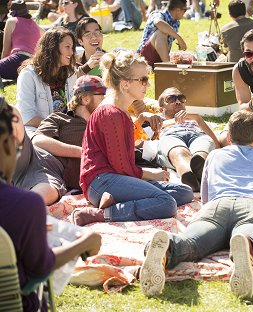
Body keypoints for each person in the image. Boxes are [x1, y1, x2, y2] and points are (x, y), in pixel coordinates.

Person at [140, 110, 253, 299]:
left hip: (217, 206)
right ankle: (246, 245)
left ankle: (169, 246)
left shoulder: (214, 156)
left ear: (228, 137)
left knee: (191, 243)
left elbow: (205, 196)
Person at [0, 96, 102, 311]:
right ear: (7, 146)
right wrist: (85, 242)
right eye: (17, 147)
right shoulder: (25, 206)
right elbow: (40, 268)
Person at [74, 50, 193, 226]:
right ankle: (101, 214)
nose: (147, 85)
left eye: (148, 78)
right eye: (143, 80)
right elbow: (121, 167)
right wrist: (151, 174)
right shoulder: (110, 113)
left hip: (115, 179)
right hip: (101, 182)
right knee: (167, 203)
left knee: (185, 192)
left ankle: (117, 202)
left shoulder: (120, 111)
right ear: (125, 85)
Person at [32, 75, 106, 191]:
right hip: (48, 174)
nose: (107, 104)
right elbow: (38, 141)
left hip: (94, 183)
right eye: (103, 99)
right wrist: (84, 153)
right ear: (85, 99)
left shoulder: (105, 125)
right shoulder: (59, 118)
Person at [156, 87, 220, 192]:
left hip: (197, 134)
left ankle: (198, 172)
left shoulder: (195, 118)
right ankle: (189, 176)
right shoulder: (157, 120)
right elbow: (137, 138)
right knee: (179, 153)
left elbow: (215, 143)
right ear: (161, 109)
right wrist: (143, 117)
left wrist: (197, 118)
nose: (177, 102)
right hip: (171, 136)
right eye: (171, 99)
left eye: (181, 98)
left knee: (200, 153)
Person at [16, 27, 78, 135]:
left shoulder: (70, 73)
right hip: (37, 131)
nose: (71, 52)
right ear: (52, 48)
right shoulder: (28, 74)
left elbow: (75, 108)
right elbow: (27, 117)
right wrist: (56, 125)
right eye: (67, 47)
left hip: (66, 130)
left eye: (72, 47)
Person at [136, 0, 187, 66]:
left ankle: (166, 65)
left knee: (188, 56)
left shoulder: (176, 23)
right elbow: (158, 23)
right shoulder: (158, 14)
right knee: (161, 33)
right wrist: (179, 38)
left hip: (159, 58)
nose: (185, 13)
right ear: (177, 10)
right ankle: (168, 67)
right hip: (144, 57)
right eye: (185, 10)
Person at [0, 0, 42, 80]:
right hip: (33, 64)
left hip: (18, 59)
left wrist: (3, 62)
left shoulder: (11, 21)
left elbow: (5, 50)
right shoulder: (35, 24)